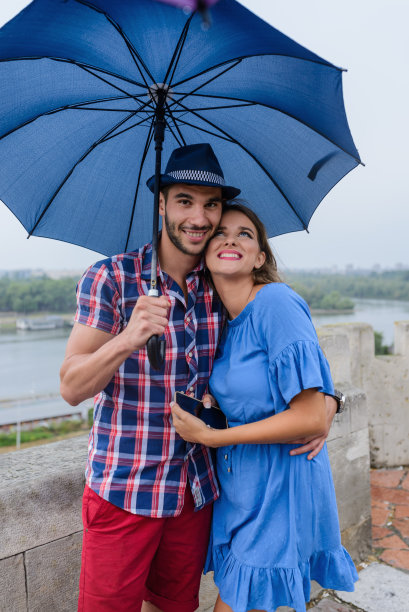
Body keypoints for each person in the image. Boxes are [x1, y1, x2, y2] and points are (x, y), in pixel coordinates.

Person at [60, 144, 338, 612]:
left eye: (211, 204)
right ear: (162, 203)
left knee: (175, 607)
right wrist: (128, 337)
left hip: (196, 491)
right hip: (127, 488)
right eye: (185, 201)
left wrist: (329, 402)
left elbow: (278, 357)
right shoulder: (113, 277)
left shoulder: (218, 283)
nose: (200, 216)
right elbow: (71, 387)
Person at [171, 203, 358, 612]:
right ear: (204, 252)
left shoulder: (275, 303)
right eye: (220, 232)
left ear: (259, 258)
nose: (230, 239)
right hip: (242, 488)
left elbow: (308, 414)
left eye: (245, 234)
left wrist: (212, 436)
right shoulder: (225, 323)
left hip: (281, 482)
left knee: (240, 601)